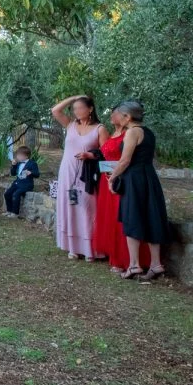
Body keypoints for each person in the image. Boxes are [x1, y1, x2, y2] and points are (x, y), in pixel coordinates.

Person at [110, 101, 171, 281]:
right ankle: (155, 264)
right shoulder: (149, 132)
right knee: (151, 217)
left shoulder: (132, 132)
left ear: (127, 117)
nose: (117, 118)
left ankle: (134, 265)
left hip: (134, 180)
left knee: (132, 217)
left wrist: (112, 177)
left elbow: (125, 160)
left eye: (119, 115)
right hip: (149, 178)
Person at [84, 112, 151, 273]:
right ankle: (113, 255)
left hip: (120, 180)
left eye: (115, 114)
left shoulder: (128, 134)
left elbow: (128, 159)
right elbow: (104, 153)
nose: (111, 117)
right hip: (105, 178)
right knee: (109, 218)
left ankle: (126, 259)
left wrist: (115, 173)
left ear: (125, 117)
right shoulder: (112, 133)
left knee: (121, 217)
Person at [51, 94, 109, 260]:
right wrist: (74, 98)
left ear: (90, 109)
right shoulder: (70, 125)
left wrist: (90, 155)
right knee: (70, 206)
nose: (76, 111)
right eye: (74, 108)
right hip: (67, 172)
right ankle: (73, 247)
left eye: (80, 107)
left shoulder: (100, 129)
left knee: (87, 209)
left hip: (87, 175)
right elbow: (55, 110)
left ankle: (90, 248)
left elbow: (107, 153)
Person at [3, 146, 40, 217]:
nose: (17, 157)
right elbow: (13, 173)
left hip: (26, 185)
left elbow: (37, 174)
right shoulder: (19, 163)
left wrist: (31, 173)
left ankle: (15, 213)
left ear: (25, 156)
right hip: (17, 183)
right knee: (7, 194)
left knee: (16, 194)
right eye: (17, 155)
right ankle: (9, 211)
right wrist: (13, 165)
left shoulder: (32, 163)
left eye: (19, 155)